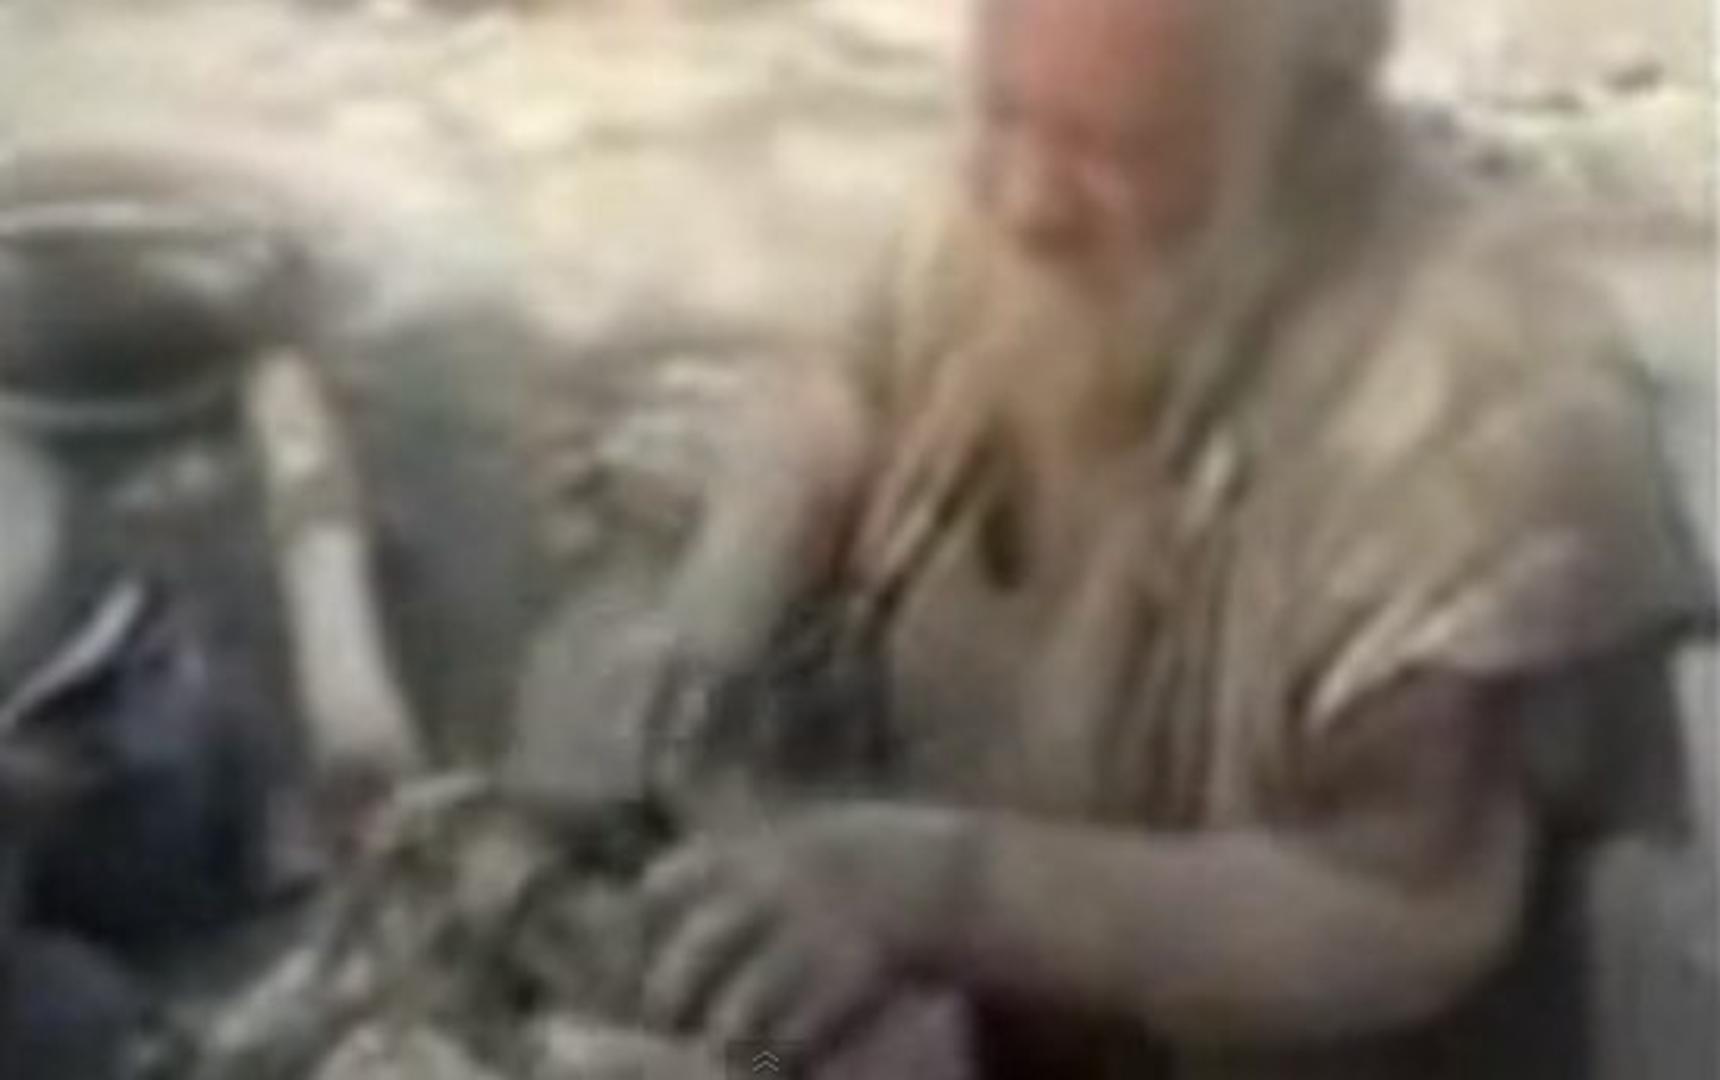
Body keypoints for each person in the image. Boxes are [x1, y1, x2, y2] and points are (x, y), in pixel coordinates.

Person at [616, 0, 1718, 1076]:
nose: (1025, 199)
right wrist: (726, 605)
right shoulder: (1018, 200)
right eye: (1004, 114)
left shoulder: (1482, 409)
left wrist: (937, 888)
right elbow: (845, 384)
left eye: (1114, 151)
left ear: (1303, 130)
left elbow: (1403, 902)